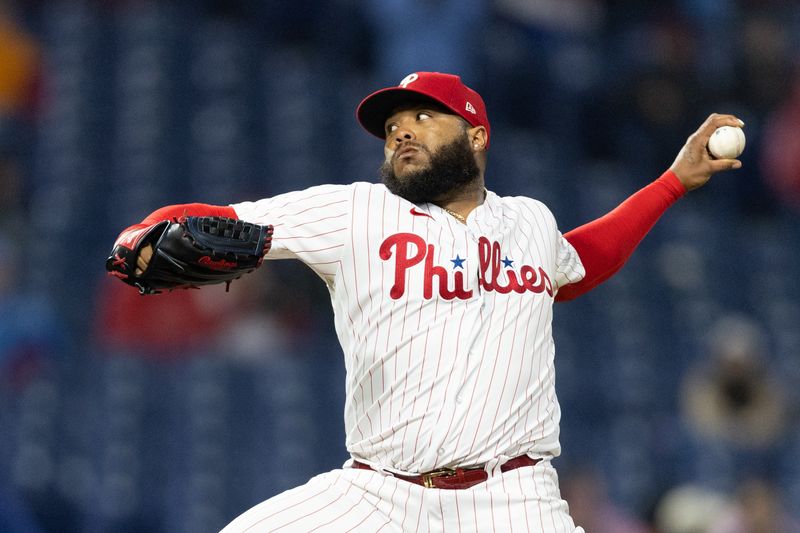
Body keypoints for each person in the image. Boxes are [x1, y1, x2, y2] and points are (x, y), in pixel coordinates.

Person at [107, 72, 743, 532]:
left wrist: (671, 183)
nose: (400, 132)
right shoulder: (357, 211)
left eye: (422, 117)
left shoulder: (528, 223)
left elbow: (576, 265)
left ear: (476, 137)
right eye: (391, 127)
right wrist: (142, 232)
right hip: (378, 495)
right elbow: (219, 218)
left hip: (513, 499)